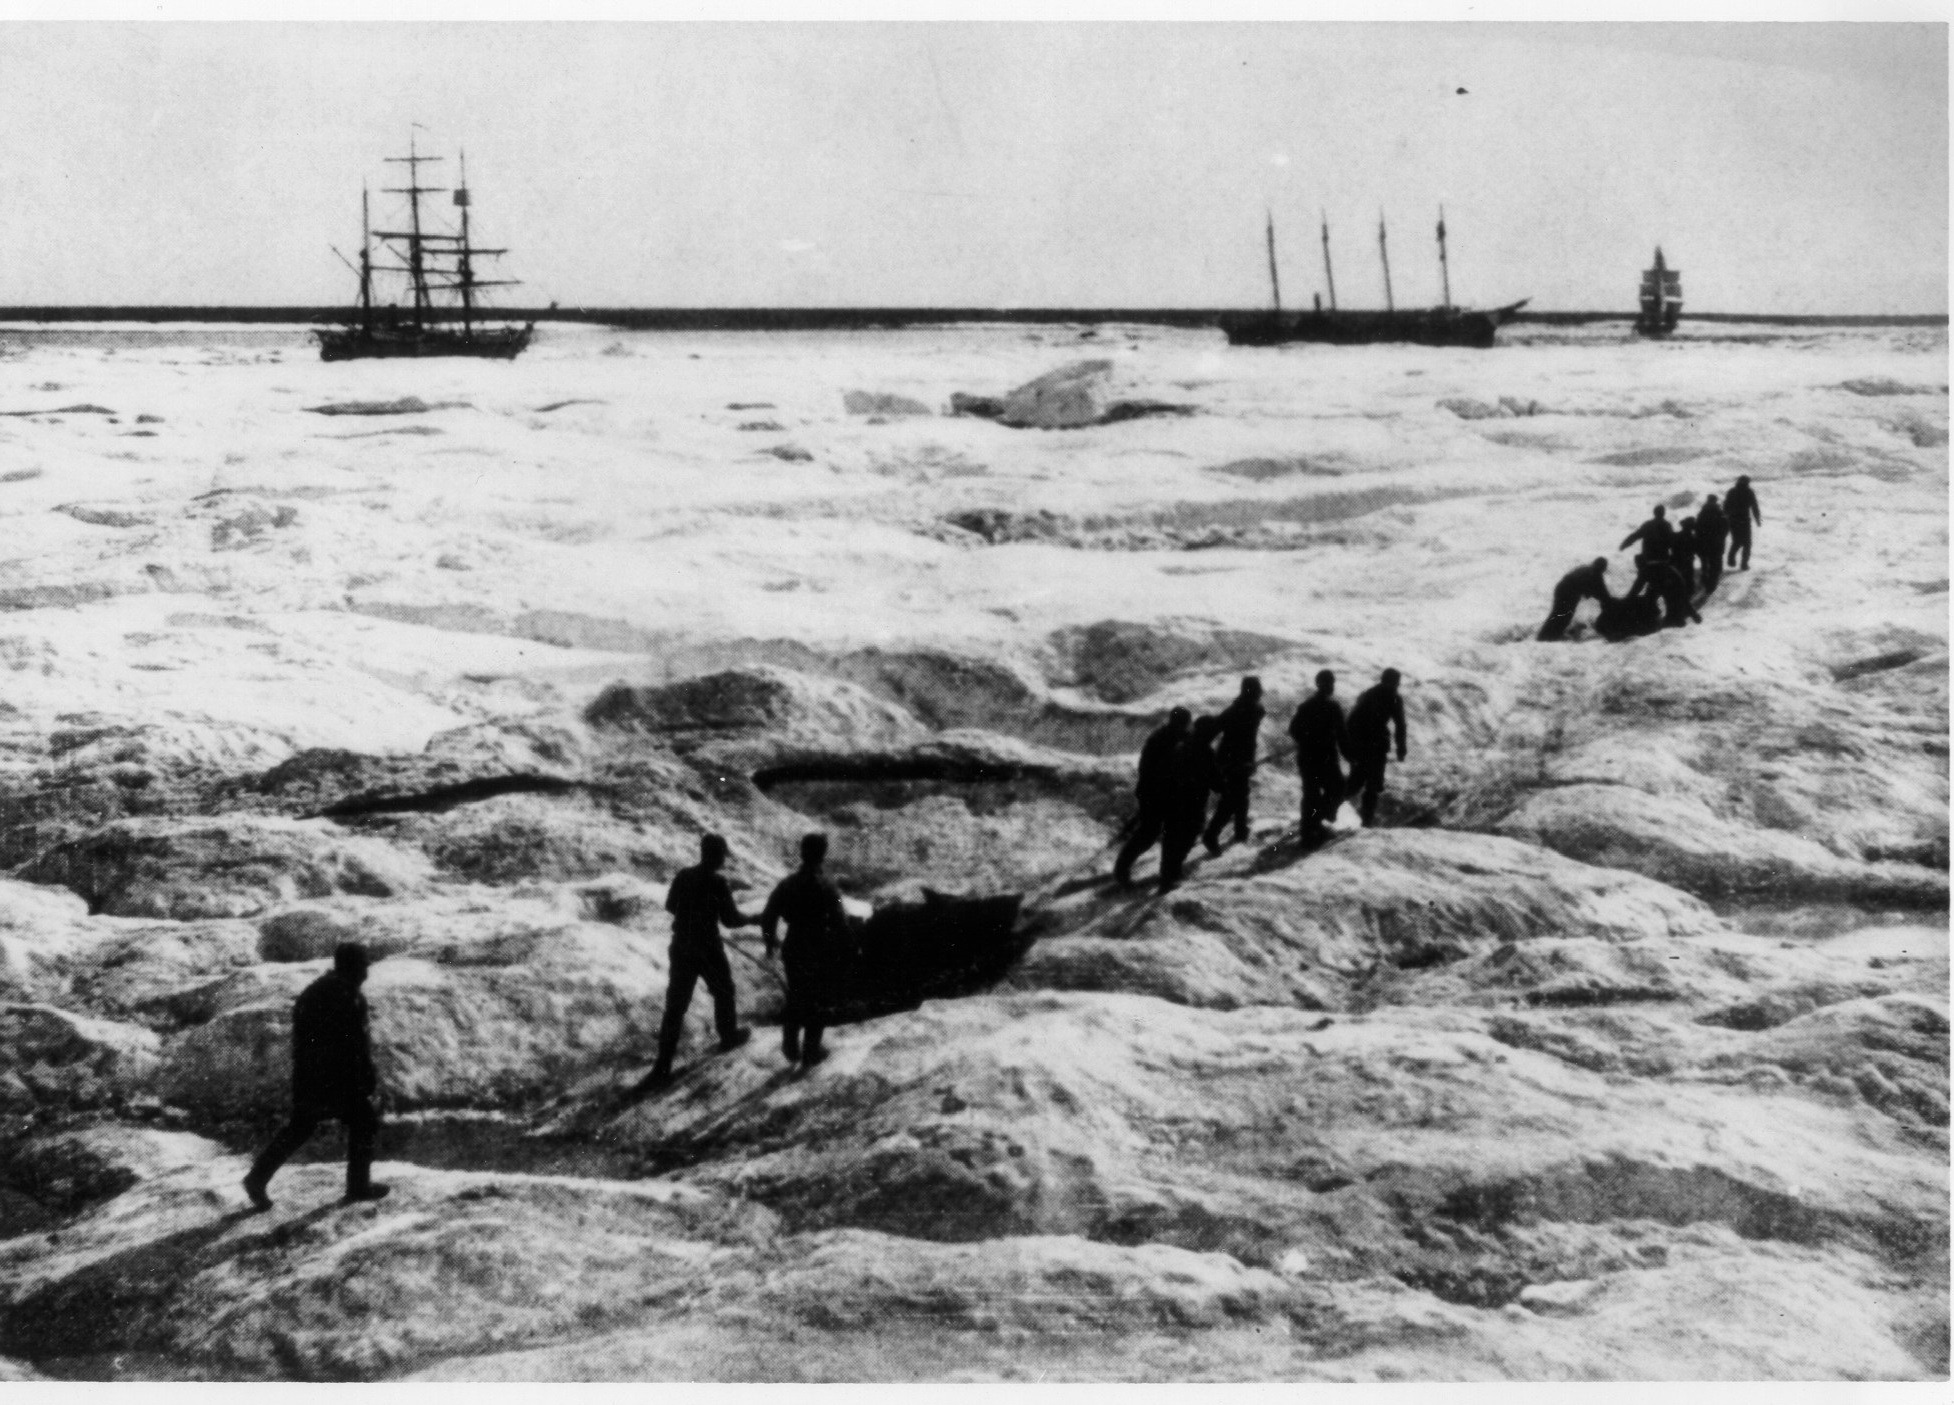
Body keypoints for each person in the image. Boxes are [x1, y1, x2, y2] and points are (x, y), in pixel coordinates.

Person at [243, 943, 388, 1211]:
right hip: (335, 1078)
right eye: (363, 966)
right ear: (352, 967)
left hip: (313, 1077)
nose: (366, 972)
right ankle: (358, 1186)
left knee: (302, 1126)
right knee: (363, 1120)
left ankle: (257, 1178)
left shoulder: (320, 990)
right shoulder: (344, 995)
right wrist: (364, 1078)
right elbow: (352, 1044)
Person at [645, 833, 755, 1089]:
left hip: (682, 945)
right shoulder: (718, 883)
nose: (722, 861)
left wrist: (691, 917)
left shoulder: (684, 875)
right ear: (716, 855)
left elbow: (671, 905)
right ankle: (728, 1036)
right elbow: (730, 920)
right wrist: (752, 919)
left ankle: (662, 1067)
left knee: (675, 1006)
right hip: (707, 947)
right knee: (724, 991)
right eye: (721, 856)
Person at [763, 833, 852, 1069]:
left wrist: (770, 944)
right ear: (823, 854)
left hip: (794, 945)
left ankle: (790, 1047)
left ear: (802, 853)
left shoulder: (787, 884)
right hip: (820, 947)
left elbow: (769, 915)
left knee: (796, 994)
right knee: (818, 1000)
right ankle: (810, 1053)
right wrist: (848, 949)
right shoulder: (829, 886)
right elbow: (841, 922)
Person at [1113, 707, 1190, 886]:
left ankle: (1168, 873)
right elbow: (1146, 770)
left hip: (1170, 794)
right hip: (1153, 793)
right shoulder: (1158, 740)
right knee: (1148, 833)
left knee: (1169, 833)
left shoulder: (1181, 738)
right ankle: (1121, 869)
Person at [1158, 715, 1221, 892]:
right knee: (1187, 837)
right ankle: (1171, 875)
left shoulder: (1181, 746)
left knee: (1171, 839)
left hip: (1173, 801)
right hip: (1192, 804)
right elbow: (1215, 781)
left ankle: (1167, 877)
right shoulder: (1206, 752)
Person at [1202, 677, 1265, 853]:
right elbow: (1213, 730)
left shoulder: (1248, 709)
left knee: (1241, 794)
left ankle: (1240, 830)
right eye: (1258, 690)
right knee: (1232, 798)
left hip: (1240, 759)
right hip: (1230, 761)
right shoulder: (1236, 711)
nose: (1261, 693)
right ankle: (1211, 834)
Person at [1287, 670, 1348, 844]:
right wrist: (1351, 756)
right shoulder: (1333, 707)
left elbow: (1294, 730)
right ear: (1322, 685)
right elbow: (1342, 736)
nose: (1331, 687)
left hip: (1307, 758)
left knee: (1311, 794)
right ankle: (1316, 823)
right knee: (1337, 788)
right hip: (1325, 758)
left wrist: (1306, 740)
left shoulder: (1306, 706)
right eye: (1329, 683)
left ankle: (1310, 828)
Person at [1344, 670, 1407, 827]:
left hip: (1373, 746)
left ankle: (1365, 821)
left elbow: (1400, 724)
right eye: (1395, 682)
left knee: (1370, 784)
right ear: (1388, 682)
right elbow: (1352, 722)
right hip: (1366, 746)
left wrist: (1401, 747)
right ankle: (1327, 812)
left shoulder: (1383, 696)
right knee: (1359, 783)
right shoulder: (1376, 696)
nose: (1397, 685)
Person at [1537, 557, 1613, 641]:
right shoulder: (1593, 574)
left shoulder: (1589, 570)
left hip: (1563, 589)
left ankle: (1548, 635)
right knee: (1562, 614)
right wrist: (1608, 602)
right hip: (1567, 592)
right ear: (1603, 568)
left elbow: (1600, 591)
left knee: (1561, 614)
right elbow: (1602, 593)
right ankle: (1547, 636)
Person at [1620, 505, 1675, 599]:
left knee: (1638, 586)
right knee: (1662, 589)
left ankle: (1627, 603)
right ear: (1663, 513)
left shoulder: (1648, 525)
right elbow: (1672, 543)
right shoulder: (1667, 525)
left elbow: (1636, 535)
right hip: (1663, 562)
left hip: (1648, 562)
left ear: (1654, 513)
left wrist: (1624, 545)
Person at [1725, 475, 1761, 570]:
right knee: (1747, 543)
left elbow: (1725, 506)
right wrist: (1757, 518)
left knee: (1737, 541)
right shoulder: (1749, 492)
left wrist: (1726, 518)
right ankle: (1743, 564)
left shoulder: (1732, 491)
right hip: (1744, 520)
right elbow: (1754, 506)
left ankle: (1731, 559)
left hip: (1733, 520)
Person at [1695, 494, 1729, 592]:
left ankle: (1704, 579)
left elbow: (1697, 527)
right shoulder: (1720, 512)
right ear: (1715, 501)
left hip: (1704, 543)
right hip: (1716, 543)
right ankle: (1711, 585)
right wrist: (1721, 538)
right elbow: (1726, 527)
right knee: (1714, 564)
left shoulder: (1702, 512)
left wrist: (1699, 539)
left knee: (1705, 562)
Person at [1672, 518, 1699, 597]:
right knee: (1688, 579)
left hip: (1677, 560)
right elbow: (1697, 550)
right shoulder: (1693, 537)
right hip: (1688, 560)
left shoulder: (1676, 535)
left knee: (1678, 579)